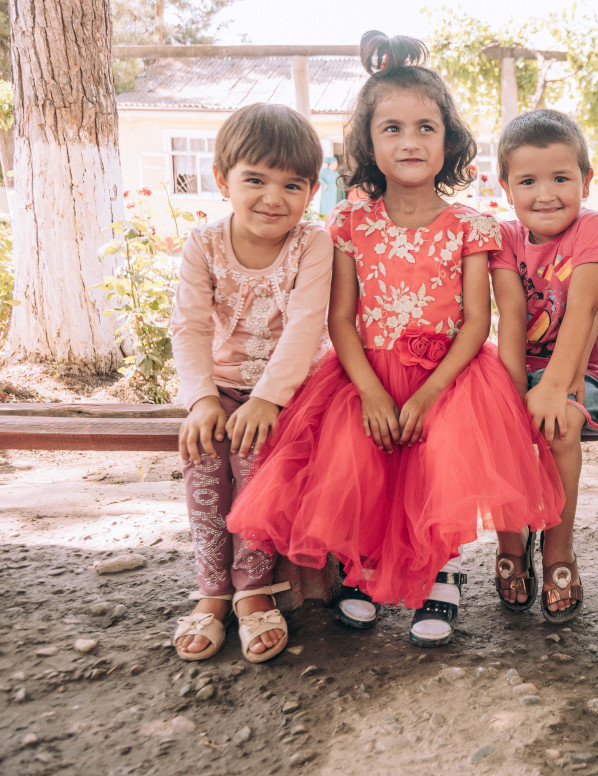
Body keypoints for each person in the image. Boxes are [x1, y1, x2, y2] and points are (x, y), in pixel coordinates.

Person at [226, 31, 564, 648]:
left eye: (426, 127)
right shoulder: (351, 221)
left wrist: (432, 392)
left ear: (449, 139)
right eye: (392, 128)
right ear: (367, 142)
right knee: (358, 453)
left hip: (451, 374)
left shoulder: (471, 225)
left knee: (439, 461)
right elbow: (341, 319)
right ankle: (365, 571)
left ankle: (439, 573)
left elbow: (475, 321)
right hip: (366, 372)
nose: (410, 141)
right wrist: (373, 391)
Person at [170, 103, 333, 663]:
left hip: (290, 392)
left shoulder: (312, 244)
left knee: (255, 454)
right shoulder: (204, 245)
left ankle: (251, 589)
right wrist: (200, 401)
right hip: (218, 386)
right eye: (255, 179)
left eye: (292, 185)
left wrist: (266, 399)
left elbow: (308, 327)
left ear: (311, 191)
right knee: (203, 451)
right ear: (223, 179)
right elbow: (188, 327)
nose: (273, 198)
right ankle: (210, 590)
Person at [489, 109, 598, 624]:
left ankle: (558, 550)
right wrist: (515, 393)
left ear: (586, 179)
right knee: (496, 423)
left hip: (580, 370)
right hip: (519, 365)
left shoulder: (591, 227)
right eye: (528, 181)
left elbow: (583, 309)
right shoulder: (505, 238)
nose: (546, 193)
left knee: (560, 426)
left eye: (562, 178)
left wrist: (555, 388)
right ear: (505, 186)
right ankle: (511, 542)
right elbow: (512, 317)